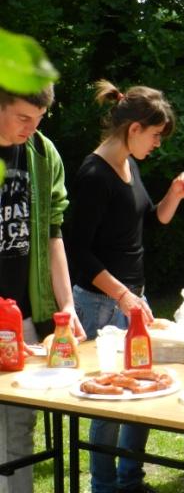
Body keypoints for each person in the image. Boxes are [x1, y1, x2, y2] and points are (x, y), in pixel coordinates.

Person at [68, 80, 184, 493]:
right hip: (102, 303)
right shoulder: (93, 174)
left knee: (140, 390)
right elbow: (78, 253)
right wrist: (123, 295)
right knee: (108, 402)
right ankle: (104, 486)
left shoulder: (130, 163)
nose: (158, 143)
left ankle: (131, 480)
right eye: (156, 135)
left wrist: (174, 195)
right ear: (134, 128)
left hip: (130, 300)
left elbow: (152, 220)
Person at [0, 83, 86, 493]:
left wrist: (65, 306)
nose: (31, 129)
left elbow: (54, 234)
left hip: (22, 317)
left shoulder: (41, 152)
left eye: (39, 120)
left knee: (19, 427)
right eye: (22, 118)